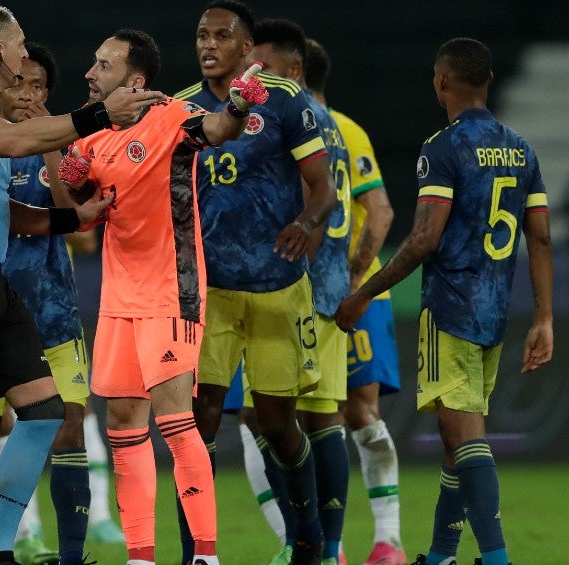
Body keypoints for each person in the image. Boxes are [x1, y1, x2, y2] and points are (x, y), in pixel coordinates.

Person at [0, 5, 163, 564]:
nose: (26, 56)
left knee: (45, 413)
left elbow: (6, 212)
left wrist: (77, 218)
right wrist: (97, 114)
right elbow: (13, 144)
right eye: (19, 45)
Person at [334, 37, 554, 565]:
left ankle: (497, 558)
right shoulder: (522, 148)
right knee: (458, 443)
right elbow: (540, 237)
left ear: (441, 82)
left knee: (465, 437)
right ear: (490, 81)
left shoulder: (443, 148)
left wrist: (364, 292)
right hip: (496, 312)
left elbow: (423, 239)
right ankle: (441, 555)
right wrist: (543, 317)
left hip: (452, 308)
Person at [58, 26, 269, 565]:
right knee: (123, 426)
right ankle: (141, 555)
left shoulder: (170, 117)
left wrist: (240, 106)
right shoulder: (90, 134)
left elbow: (219, 128)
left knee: (177, 423)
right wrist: (73, 182)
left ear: (135, 79)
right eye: (93, 62)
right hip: (116, 299)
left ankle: (204, 554)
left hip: (170, 292)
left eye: (103, 65)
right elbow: (82, 228)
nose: (90, 72)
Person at [174, 2, 336, 563]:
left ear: (247, 49)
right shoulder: (181, 108)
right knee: (199, 418)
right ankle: (197, 548)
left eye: (222, 36)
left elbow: (323, 187)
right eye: (201, 35)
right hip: (210, 292)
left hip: (278, 288)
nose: (208, 45)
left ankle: (308, 537)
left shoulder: (287, 100)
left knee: (277, 422)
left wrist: (308, 221)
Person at [0, 41, 93, 565]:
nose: (28, 94)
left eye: (39, 87)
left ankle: (73, 557)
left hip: (53, 312)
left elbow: (75, 223)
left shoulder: (67, 150)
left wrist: (51, 143)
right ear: (1, 86)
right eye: (20, 83)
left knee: (69, 425)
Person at [249, 19, 351, 565]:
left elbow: (312, 202)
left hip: (298, 287)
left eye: (262, 65)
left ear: (293, 69)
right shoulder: (330, 123)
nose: (253, 74)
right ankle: (320, 546)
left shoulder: (290, 117)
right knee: (314, 415)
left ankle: (306, 542)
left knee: (283, 418)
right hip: (328, 285)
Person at [305, 37, 408, 565]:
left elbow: (382, 213)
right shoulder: (336, 127)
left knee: (337, 412)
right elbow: (382, 213)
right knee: (338, 414)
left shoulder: (317, 128)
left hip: (338, 295)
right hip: (329, 295)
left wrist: (353, 284)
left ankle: (364, 542)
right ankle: (359, 543)